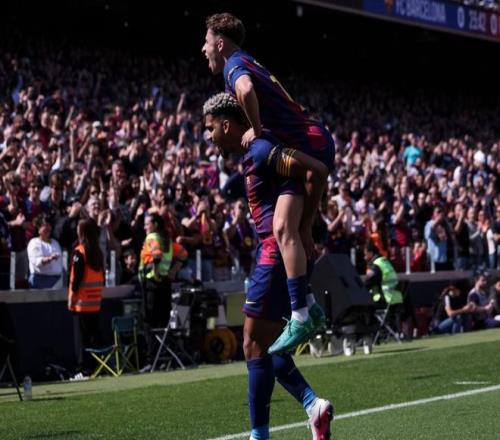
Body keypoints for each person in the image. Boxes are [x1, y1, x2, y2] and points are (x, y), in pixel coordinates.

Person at [203, 92, 333, 440]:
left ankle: (261, 435)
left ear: (227, 124)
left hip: (275, 255)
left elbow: (316, 170)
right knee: (265, 342)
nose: (209, 137)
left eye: (210, 128)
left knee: (252, 342)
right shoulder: (255, 151)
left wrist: (304, 226)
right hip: (276, 254)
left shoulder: (262, 149)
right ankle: (313, 406)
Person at [203, 13, 334, 352]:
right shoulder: (248, 61)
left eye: (206, 42)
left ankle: (301, 314)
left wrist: (257, 130)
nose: (203, 49)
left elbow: (246, 89)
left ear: (220, 42)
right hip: (310, 139)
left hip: (307, 143)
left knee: (284, 229)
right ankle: (307, 308)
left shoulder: (234, 66)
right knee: (287, 228)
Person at [67, 218, 105, 376]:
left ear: (82, 232)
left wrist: (71, 297)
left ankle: (82, 370)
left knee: (81, 340)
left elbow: (76, 278)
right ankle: (94, 368)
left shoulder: (80, 251)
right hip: (95, 303)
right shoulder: (98, 252)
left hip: (81, 303)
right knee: (92, 338)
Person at [363, 241, 404, 335]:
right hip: (396, 298)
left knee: (363, 307)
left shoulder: (375, 265)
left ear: (370, 253)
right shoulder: (385, 261)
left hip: (385, 299)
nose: (364, 257)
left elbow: (367, 283)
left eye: (365, 254)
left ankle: (371, 334)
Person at [26, 215, 62, 289]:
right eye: (45, 225)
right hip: (39, 280)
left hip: (57, 281)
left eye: (49, 225)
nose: (48, 228)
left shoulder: (55, 243)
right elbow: (36, 262)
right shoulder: (34, 242)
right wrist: (50, 258)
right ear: (39, 229)